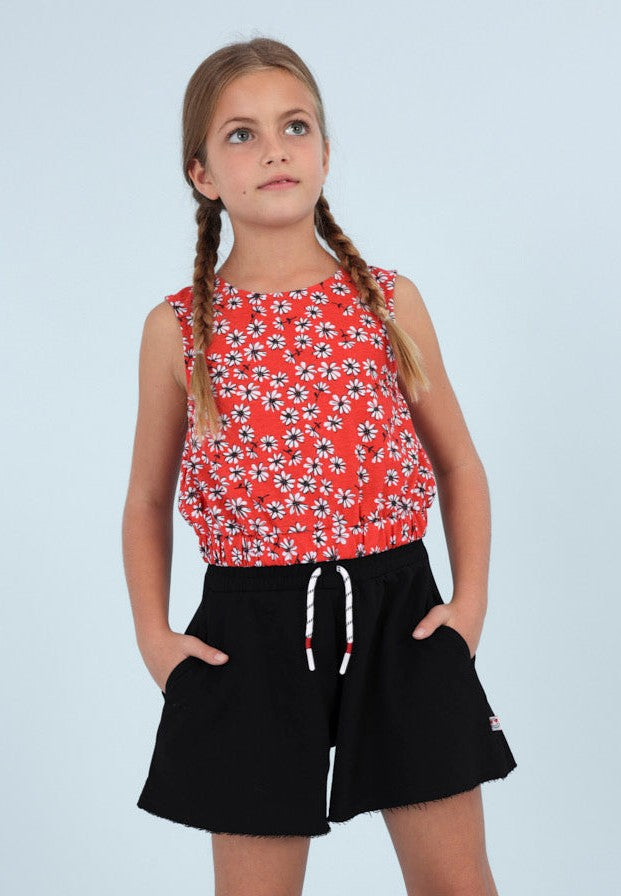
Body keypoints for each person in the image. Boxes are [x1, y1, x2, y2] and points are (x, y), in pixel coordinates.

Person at [122, 35, 517, 896]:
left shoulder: (388, 302)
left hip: (402, 618)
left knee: (457, 883)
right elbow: (148, 498)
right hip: (246, 633)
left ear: (325, 154)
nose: (274, 149)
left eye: (294, 126)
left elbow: (459, 464)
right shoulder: (178, 330)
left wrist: (469, 606)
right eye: (242, 134)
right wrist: (154, 637)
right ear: (201, 174)